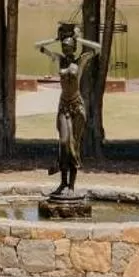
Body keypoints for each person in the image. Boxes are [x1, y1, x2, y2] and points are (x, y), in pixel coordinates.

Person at [37, 22, 101, 196]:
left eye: (69, 45)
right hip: (63, 105)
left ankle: (70, 186)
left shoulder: (81, 60)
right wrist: (55, 39)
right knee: (63, 143)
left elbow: (98, 48)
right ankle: (62, 183)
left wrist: (79, 38)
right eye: (64, 46)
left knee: (73, 145)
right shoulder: (59, 59)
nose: (66, 48)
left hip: (76, 107)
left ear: (74, 46)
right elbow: (38, 46)